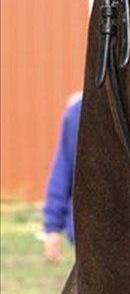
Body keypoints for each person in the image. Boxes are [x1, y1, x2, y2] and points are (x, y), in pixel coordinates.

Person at [42, 92, 81, 263]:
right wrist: (52, 227)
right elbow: (63, 171)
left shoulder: (76, 111)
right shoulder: (77, 113)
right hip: (87, 234)